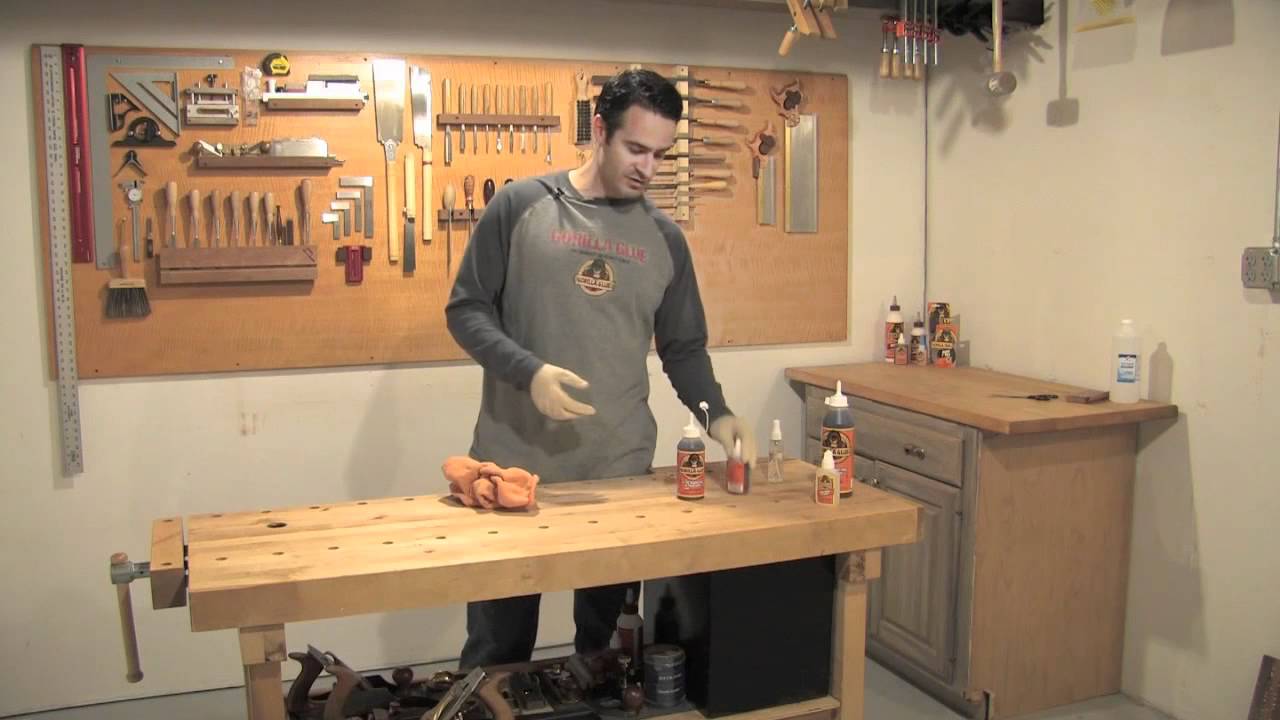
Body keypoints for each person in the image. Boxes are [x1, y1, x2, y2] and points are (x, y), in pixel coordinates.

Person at [444, 68, 756, 670]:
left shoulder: (665, 238)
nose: (648, 167)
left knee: (607, 653)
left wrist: (716, 414)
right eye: (636, 148)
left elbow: (683, 347)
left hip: (619, 475)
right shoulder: (521, 206)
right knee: (496, 654)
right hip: (514, 470)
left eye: (660, 154)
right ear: (599, 131)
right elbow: (466, 310)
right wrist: (528, 371)